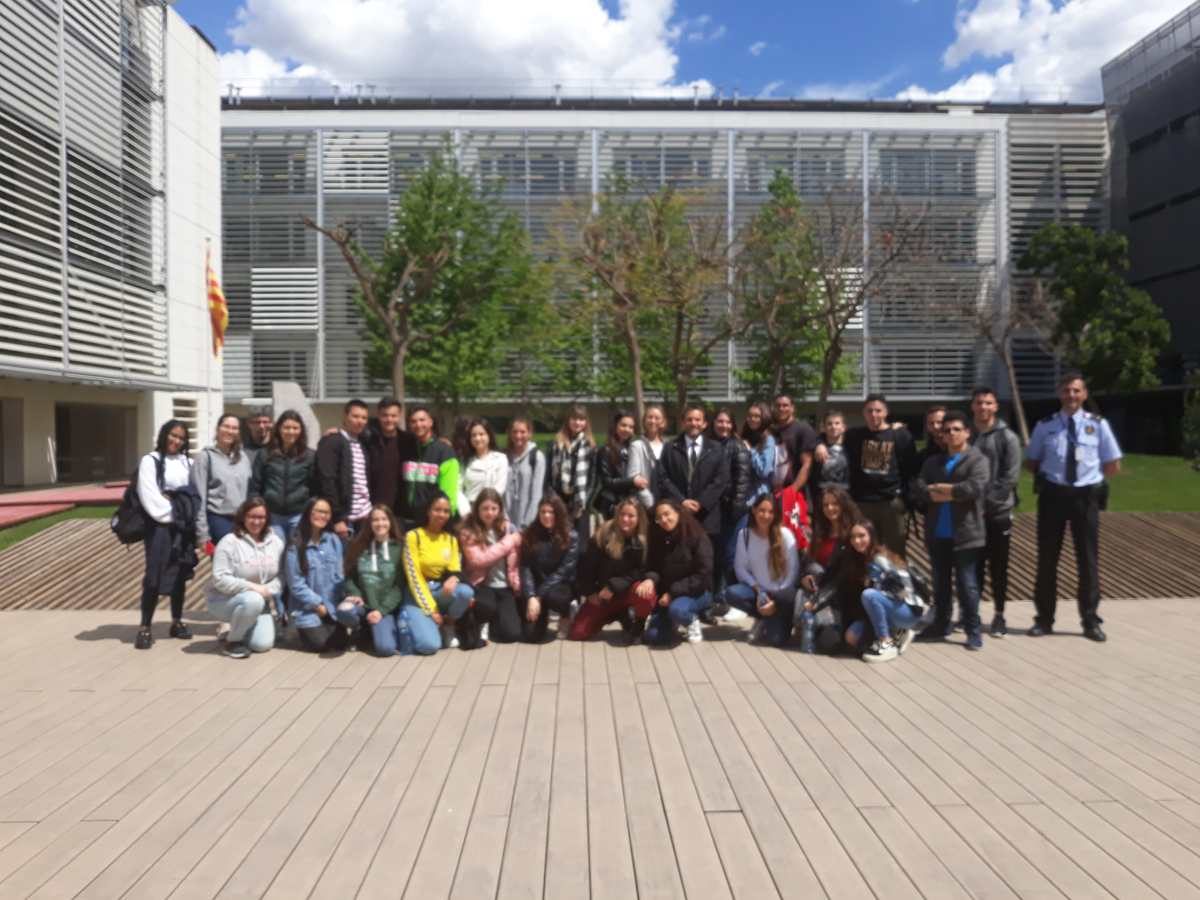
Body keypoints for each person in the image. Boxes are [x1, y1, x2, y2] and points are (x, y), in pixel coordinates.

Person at [1026, 372, 1122, 642]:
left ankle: (1090, 621)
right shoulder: (1045, 426)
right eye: (1067, 390)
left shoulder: (1098, 425)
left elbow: (1113, 463)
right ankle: (1044, 620)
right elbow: (1031, 461)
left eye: (1076, 391)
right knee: (1047, 560)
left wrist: (1091, 480)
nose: (1071, 396)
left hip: (1085, 497)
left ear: (1084, 394)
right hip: (1053, 496)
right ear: (1059, 393)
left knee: (1088, 561)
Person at [911, 410, 989, 651]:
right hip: (937, 533)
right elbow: (920, 488)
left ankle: (973, 630)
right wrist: (948, 491)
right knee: (940, 584)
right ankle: (940, 625)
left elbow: (973, 488)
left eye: (957, 429)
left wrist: (944, 490)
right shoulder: (933, 462)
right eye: (947, 430)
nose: (952, 434)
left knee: (967, 585)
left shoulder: (978, 460)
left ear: (967, 432)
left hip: (966, 535)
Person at [134, 420, 199, 650]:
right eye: (173, 435)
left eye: (181, 437)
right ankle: (145, 627)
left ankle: (176, 620)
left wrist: (183, 510)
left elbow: (195, 494)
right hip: (160, 527)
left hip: (184, 528)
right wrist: (177, 511)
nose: (176, 441)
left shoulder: (189, 463)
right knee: (154, 575)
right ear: (164, 435)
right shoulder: (150, 461)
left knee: (180, 573)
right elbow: (150, 496)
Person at [655, 404, 729, 591]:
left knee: (709, 560)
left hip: (708, 515)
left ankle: (710, 600)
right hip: (678, 515)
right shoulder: (670, 447)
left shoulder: (716, 448)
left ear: (704, 424)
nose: (693, 423)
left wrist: (701, 502)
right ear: (682, 422)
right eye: (689, 419)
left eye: (697, 419)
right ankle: (682, 598)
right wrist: (681, 502)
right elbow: (663, 478)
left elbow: (721, 480)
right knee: (683, 560)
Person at [970, 386, 1022, 637]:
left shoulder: (1007, 437)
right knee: (973, 566)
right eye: (979, 403)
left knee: (998, 566)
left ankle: (999, 614)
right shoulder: (966, 436)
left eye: (988, 403)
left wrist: (987, 505)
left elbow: (1009, 478)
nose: (983, 407)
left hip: (997, 513)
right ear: (973, 406)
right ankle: (973, 614)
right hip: (970, 515)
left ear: (996, 406)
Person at [841, 519, 929, 663]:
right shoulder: (862, 559)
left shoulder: (878, 560)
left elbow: (904, 591)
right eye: (853, 537)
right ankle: (898, 633)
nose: (857, 541)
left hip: (907, 610)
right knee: (852, 636)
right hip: (891, 609)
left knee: (869, 595)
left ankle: (886, 642)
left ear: (871, 536)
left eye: (862, 536)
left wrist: (880, 593)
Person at [841, 394, 918, 557]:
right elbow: (828, 437)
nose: (874, 415)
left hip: (890, 502)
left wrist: (905, 498)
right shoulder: (854, 436)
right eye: (869, 411)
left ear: (886, 412)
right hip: (862, 503)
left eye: (878, 410)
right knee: (863, 550)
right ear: (863, 413)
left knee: (894, 551)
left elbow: (910, 468)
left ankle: (897, 582)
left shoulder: (900, 435)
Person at [401, 492, 481, 650]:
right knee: (429, 646)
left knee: (465, 592)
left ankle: (449, 625)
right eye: (437, 509)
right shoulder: (413, 536)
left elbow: (455, 568)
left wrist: (454, 579)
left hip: (439, 591)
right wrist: (432, 610)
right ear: (428, 511)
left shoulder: (450, 539)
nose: (442, 514)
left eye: (446, 511)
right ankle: (422, 620)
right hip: (417, 595)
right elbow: (414, 577)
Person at [207, 497, 284, 659]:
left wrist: (268, 590)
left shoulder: (275, 542)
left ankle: (241, 626)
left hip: (260, 600)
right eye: (252, 516)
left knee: (262, 645)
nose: (256, 522)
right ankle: (232, 641)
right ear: (243, 517)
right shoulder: (229, 542)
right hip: (225, 601)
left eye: (261, 517)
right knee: (253, 600)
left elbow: (283, 575)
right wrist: (253, 587)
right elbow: (220, 579)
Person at [721, 494, 800, 647]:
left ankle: (775, 620)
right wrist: (758, 590)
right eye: (762, 511)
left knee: (775, 640)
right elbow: (740, 568)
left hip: (781, 595)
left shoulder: (785, 535)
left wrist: (775, 598)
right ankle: (761, 617)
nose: (766, 516)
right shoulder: (744, 535)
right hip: (759, 591)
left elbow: (793, 572)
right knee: (732, 593)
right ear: (754, 511)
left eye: (771, 512)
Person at [569, 498, 653, 642]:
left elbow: (642, 571)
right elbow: (586, 567)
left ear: (639, 518)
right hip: (602, 594)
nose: (625, 519)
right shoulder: (603, 534)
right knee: (578, 633)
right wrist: (590, 593)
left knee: (647, 593)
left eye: (631, 516)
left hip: (626, 590)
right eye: (622, 514)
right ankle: (614, 615)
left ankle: (637, 626)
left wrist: (614, 586)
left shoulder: (645, 539)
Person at [795, 486, 863, 652]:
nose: (830, 508)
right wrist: (805, 576)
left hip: (844, 596)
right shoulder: (820, 531)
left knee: (831, 642)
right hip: (820, 589)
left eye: (835, 504)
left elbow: (842, 577)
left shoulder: (854, 533)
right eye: (826, 505)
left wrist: (817, 600)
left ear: (843, 505)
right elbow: (808, 562)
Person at [340, 505, 414, 657]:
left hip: (384, 609)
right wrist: (354, 593)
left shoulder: (400, 547)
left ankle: (373, 631)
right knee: (344, 610)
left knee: (385, 649)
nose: (380, 523)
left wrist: (381, 610)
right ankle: (360, 629)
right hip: (362, 604)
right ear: (369, 523)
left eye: (384, 519)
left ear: (391, 522)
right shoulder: (358, 546)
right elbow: (350, 577)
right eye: (375, 520)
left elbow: (399, 586)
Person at [638, 499, 713, 645]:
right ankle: (674, 622)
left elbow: (703, 574)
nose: (664, 520)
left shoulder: (697, 536)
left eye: (667, 514)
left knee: (677, 610)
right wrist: (650, 579)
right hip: (668, 597)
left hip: (697, 593)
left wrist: (673, 593)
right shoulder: (658, 538)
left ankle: (691, 620)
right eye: (659, 517)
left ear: (678, 512)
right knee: (652, 637)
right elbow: (653, 567)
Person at [284, 497, 349, 653]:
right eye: (319, 511)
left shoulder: (333, 540)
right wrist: (318, 605)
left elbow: (340, 574)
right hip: (308, 608)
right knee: (321, 644)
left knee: (340, 643)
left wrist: (342, 601)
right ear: (308, 513)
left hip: (332, 606)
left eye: (327, 512)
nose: (323, 516)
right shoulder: (295, 545)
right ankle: (296, 629)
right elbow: (296, 585)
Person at [517, 496, 582, 643]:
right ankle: (541, 615)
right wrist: (531, 596)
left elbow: (563, 572)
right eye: (543, 512)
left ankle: (566, 613)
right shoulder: (530, 533)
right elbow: (525, 567)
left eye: (551, 512)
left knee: (555, 598)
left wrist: (538, 596)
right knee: (531, 636)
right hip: (537, 587)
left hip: (560, 586)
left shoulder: (571, 536)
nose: (546, 516)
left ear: (558, 514)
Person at [457, 488, 517, 644]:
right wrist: (508, 542)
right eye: (485, 508)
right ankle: (483, 620)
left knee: (511, 634)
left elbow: (516, 559)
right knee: (486, 605)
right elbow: (479, 560)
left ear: (500, 509)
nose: (489, 513)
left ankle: (495, 621)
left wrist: (516, 581)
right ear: (477, 509)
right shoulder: (468, 530)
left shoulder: (508, 528)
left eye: (494, 508)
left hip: (505, 585)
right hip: (482, 584)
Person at [252, 410, 318, 543]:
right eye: (286, 427)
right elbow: (256, 485)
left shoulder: (310, 456)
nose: (291, 431)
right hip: (272, 516)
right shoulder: (265, 454)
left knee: (296, 556)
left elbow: (315, 487)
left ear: (301, 430)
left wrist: (309, 511)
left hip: (299, 515)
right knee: (276, 556)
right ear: (279, 429)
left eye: (295, 428)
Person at [191, 414, 253, 553]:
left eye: (234, 428)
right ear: (218, 429)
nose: (230, 431)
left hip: (242, 521)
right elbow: (199, 497)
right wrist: (202, 534)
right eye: (226, 426)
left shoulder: (243, 458)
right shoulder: (205, 457)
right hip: (218, 520)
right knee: (226, 565)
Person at [317, 399, 372, 540]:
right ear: (345, 417)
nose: (360, 421)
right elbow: (327, 480)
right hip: (344, 519)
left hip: (364, 516)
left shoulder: (363, 443)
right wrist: (337, 517)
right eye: (355, 416)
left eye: (364, 417)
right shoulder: (332, 441)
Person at [401, 406, 461, 526]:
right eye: (413, 421)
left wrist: (444, 520)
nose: (418, 424)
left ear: (430, 422)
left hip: (433, 522)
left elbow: (449, 494)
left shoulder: (445, 452)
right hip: (408, 520)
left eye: (422, 420)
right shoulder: (406, 449)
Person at [546, 405, 597, 543]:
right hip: (559, 501)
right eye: (574, 418)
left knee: (580, 544)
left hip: (580, 502)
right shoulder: (555, 444)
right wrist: (554, 499)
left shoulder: (590, 446)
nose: (577, 422)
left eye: (581, 419)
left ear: (586, 422)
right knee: (559, 540)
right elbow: (549, 476)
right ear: (568, 420)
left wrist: (585, 500)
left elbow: (593, 478)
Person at [712, 408, 753, 577]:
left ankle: (728, 595)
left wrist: (735, 510)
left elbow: (742, 482)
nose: (724, 425)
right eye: (720, 421)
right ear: (713, 423)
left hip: (733, 511)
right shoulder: (707, 444)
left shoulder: (738, 446)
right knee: (714, 553)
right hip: (713, 510)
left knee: (731, 554)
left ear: (733, 425)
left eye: (728, 422)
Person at [364, 398, 418, 523]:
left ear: (399, 416)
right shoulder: (368, 439)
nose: (389, 420)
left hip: (402, 509)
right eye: (385, 415)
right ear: (378, 415)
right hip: (374, 508)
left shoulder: (409, 441)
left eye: (393, 416)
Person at [593, 410, 640, 520]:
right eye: (623, 425)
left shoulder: (633, 449)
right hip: (611, 504)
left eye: (631, 427)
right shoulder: (605, 450)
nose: (627, 429)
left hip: (630, 503)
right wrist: (632, 481)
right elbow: (607, 481)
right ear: (615, 426)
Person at [770, 394, 818, 499]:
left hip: (795, 494)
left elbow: (807, 465)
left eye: (785, 405)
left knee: (793, 516)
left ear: (792, 408)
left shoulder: (803, 429)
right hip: (772, 494)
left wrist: (792, 490)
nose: (781, 408)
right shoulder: (770, 431)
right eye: (778, 405)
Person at [458, 418, 509, 513]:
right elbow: (458, 489)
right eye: (474, 435)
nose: (477, 438)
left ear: (489, 436)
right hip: (469, 511)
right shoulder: (464, 461)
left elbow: (499, 489)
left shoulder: (500, 459)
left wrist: (487, 509)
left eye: (481, 434)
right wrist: (466, 512)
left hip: (492, 510)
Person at [506, 416, 547, 530]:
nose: (518, 436)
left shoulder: (537, 457)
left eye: (523, 432)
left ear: (530, 433)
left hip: (527, 523)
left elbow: (537, 495)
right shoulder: (505, 457)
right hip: (506, 522)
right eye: (515, 432)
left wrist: (528, 523)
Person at [627, 404, 667, 509]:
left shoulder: (668, 446)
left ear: (663, 422)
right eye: (650, 417)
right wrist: (650, 503)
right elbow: (634, 477)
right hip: (645, 504)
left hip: (666, 504)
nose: (653, 421)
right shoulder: (637, 445)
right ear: (644, 420)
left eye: (657, 418)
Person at [739, 402, 778, 502]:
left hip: (759, 496)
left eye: (757, 416)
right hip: (743, 494)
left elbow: (764, 471)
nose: (752, 419)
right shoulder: (744, 436)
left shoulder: (768, 439)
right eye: (750, 416)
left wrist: (750, 450)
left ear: (764, 418)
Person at [812, 410, 849, 491]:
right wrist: (819, 444)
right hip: (821, 492)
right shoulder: (815, 446)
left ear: (844, 427)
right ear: (824, 428)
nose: (833, 427)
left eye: (837, 423)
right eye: (829, 424)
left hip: (845, 493)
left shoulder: (851, 445)